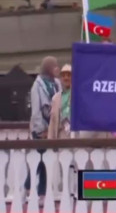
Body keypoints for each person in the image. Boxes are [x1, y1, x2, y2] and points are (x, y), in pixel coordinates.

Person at [26, 56, 61, 201]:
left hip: (53, 128)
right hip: (41, 130)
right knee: (39, 161)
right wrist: (41, 130)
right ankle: (28, 187)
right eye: (54, 66)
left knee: (47, 161)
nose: (57, 68)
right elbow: (36, 110)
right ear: (48, 68)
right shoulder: (37, 85)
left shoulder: (57, 83)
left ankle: (41, 193)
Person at [48, 64, 72, 139]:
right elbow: (52, 122)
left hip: (75, 137)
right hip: (61, 136)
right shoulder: (55, 98)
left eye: (68, 75)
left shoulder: (79, 96)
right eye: (63, 75)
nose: (66, 78)